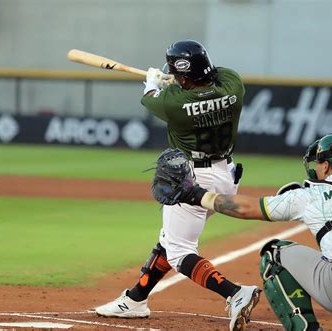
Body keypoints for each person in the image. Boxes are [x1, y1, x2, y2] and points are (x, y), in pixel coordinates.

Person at [161, 131, 332, 331]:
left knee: (274, 253)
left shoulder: (308, 193)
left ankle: (305, 328)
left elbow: (246, 209)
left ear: (325, 165)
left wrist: (197, 194)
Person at [94, 40, 260, 331]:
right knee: (169, 239)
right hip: (226, 175)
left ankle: (235, 293)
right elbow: (209, 79)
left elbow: (150, 97)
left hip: (193, 180)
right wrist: (180, 79)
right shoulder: (234, 84)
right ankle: (136, 299)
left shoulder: (173, 102)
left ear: (182, 74)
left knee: (179, 251)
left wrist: (153, 81)